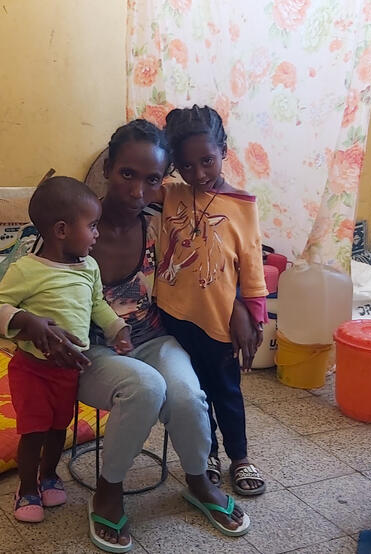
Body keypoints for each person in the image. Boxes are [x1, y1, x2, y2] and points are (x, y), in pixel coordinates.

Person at [29, 120, 252, 552]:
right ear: (108, 169)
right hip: (88, 351)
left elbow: (221, 254)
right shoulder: (72, 228)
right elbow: (29, 285)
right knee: (146, 387)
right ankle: (109, 489)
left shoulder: (159, 226)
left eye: (152, 180)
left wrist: (241, 301)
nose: (137, 191)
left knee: (188, 393)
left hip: (152, 338)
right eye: (127, 175)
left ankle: (197, 481)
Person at [0, 176, 134, 524]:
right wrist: (29, 320)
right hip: (33, 369)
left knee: (58, 429)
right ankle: (26, 488)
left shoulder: (89, 268)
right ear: (63, 230)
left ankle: (49, 475)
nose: (97, 234)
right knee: (34, 430)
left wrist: (118, 329)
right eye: (92, 226)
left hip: (68, 371)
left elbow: (97, 305)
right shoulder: (27, 269)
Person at [156, 105, 269, 498]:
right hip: (172, 315)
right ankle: (207, 454)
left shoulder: (242, 205)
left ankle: (239, 456)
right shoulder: (170, 194)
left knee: (225, 391)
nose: (198, 173)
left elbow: (252, 267)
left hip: (218, 319)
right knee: (192, 391)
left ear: (224, 150)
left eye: (207, 160)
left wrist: (254, 318)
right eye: (186, 166)